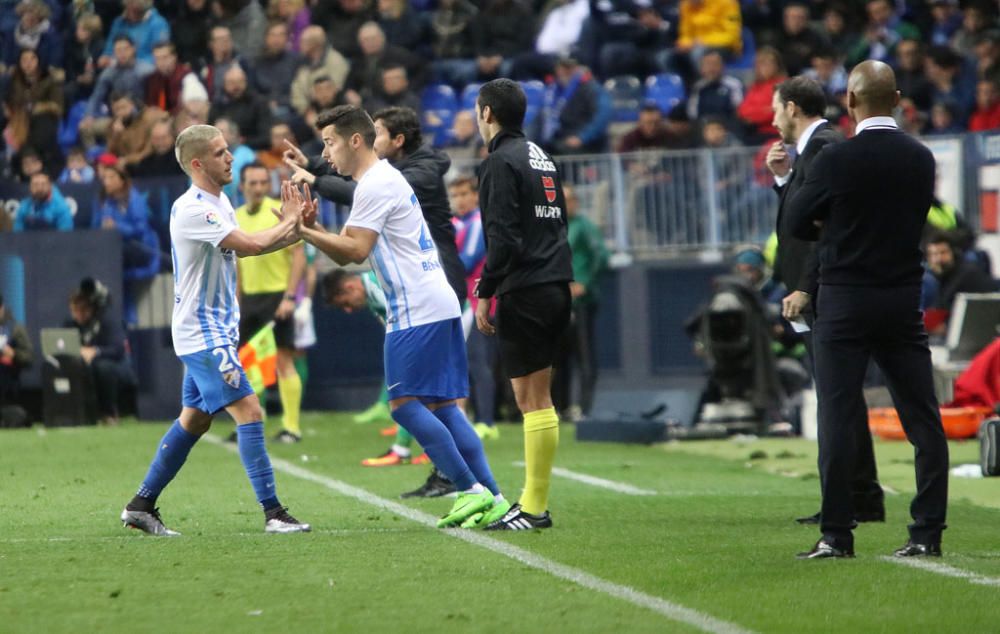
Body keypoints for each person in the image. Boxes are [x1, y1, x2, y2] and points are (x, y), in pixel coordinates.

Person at [296, 104, 508, 528]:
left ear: (355, 141)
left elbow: (353, 252)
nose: (326, 153)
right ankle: (496, 497)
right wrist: (316, 229)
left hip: (416, 308)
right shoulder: (384, 179)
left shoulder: (375, 184)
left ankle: (471, 490)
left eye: (330, 142)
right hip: (436, 300)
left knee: (403, 405)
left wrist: (303, 231)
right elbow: (355, 241)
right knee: (445, 407)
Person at [785, 61, 949, 559]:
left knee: (837, 414)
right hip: (901, 297)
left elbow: (794, 220)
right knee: (922, 418)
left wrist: (831, 224)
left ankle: (836, 534)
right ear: (897, 99)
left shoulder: (837, 160)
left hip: (844, 299)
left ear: (850, 102)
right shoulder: (921, 159)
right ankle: (926, 532)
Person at [120, 124, 311, 536]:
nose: (230, 157)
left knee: (195, 420)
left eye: (228, 149)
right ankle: (274, 512)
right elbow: (252, 246)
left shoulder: (219, 201)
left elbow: (254, 243)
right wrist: (289, 223)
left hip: (214, 329)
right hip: (203, 331)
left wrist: (295, 227)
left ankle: (141, 504)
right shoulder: (195, 209)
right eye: (221, 152)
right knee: (250, 410)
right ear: (197, 163)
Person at [766, 75, 886, 525]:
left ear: (793, 108)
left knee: (838, 399)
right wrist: (782, 181)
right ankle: (862, 496)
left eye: (777, 108)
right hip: (818, 288)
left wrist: (806, 287)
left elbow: (827, 230)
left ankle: (853, 500)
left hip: (826, 289)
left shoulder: (827, 149)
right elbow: (804, 220)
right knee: (841, 398)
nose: (773, 118)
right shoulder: (812, 153)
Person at [473, 78, 573, 530]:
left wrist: (485, 290)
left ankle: (533, 507)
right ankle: (534, 503)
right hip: (554, 283)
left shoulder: (498, 161)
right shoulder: (541, 156)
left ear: (487, 113)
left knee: (530, 399)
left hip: (526, 287)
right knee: (538, 396)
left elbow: (504, 238)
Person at [320, 267, 433, 468]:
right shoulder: (372, 294)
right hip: (425, 328)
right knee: (414, 393)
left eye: (345, 303)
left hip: (430, 324)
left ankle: (419, 451)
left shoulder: (376, 286)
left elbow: (410, 314)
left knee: (420, 394)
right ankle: (416, 450)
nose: (348, 310)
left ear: (350, 286)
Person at [233, 162, 307, 443]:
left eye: (263, 182)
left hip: (277, 296)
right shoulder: (235, 216)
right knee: (250, 364)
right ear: (242, 186)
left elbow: (298, 255)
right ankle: (253, 423)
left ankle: (292, 427)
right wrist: (237, 300)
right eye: (252, 183)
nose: (258, 188)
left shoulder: (279, 211)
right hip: (249, 298)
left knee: (283, 361)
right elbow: (237, 263)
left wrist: (290, 296)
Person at [449, 175, 500, 440]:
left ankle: (487, 422)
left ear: (475, 196)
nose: (459, 200)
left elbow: (467, 261)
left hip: (477, 301)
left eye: (463, 194)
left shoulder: (479, 223)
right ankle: (468, 417)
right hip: (458, 303)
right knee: (463, 362)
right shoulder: (455, 223)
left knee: (479, 362)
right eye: (455, 195)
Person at [552, 184, 608, 422]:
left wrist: (584, 282)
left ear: (575, 202)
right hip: (560, 302)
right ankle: (562, 407)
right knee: (559, 357)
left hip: (582, 302)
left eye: (568, 200)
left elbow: (602, 256)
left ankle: (584, 408)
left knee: (584, 355)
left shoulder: (584, 227)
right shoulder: (554, 227)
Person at [64, 287, 132, 425]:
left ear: (91, 309)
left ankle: (109, 414)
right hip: (82, 366)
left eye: (82, 310)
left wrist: (95, 351)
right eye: (75, 310)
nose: (79, 314)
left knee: (103, 368)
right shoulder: (70, 326)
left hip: (114, 366)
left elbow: (118, 350)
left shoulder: (107, 322)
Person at [923, 231, 996, 335]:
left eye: (943, 252)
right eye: (934, 254)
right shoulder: (937, 277)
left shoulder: (967, 274)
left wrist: (945, 326)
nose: (938, 259)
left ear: (953, 252)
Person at [0, 293, 34, 410]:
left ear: (1, 308)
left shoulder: (15, 329)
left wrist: (14, 354)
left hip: (7, 384)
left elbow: (29, 357)